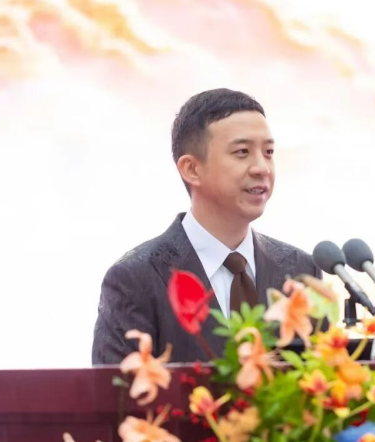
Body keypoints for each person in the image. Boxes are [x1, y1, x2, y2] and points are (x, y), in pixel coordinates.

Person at [92, 88, 322, 364]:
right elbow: (116, 389)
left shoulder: (301, 271)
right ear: (191, 169)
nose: (262, 168)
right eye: (242, 152)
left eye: (268, 152)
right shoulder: (136, 278)